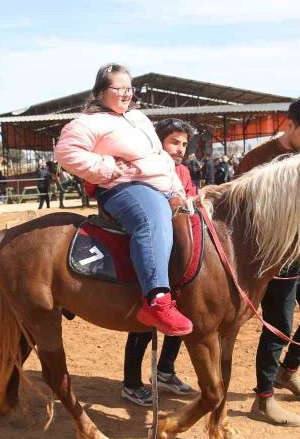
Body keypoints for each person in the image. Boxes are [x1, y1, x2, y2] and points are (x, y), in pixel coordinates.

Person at [55, 63, 193, 336]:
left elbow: (160, 158)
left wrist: (177, 189)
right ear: (101, 91)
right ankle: (157, 299)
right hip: (125, 187)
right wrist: (105, 167)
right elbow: (65, 152)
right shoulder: (86, 123)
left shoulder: (138, 118)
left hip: (160, 184)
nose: (127, 93)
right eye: (120, 88)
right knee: (152, 218)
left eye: (130, 88)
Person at [234, 95, 300, 427]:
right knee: (279, 327)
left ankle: (287, 371)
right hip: (274, 259)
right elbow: (239, 215)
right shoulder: (256, 160)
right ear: (288, 125)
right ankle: (263, 400)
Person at [122, 118, 197, 406]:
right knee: (144, 319)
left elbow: (189, 202)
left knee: (179, 311)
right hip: (148, 251)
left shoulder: (183, 172)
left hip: (177, 253)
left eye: (184, 144)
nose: (179, 148)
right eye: (174, 142)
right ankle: (130, 382)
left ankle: (165, 370)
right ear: (159, 142)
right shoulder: (146, 168)